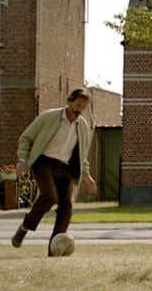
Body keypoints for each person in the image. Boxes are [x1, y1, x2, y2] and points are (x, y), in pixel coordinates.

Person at [11, 88, 97, 255]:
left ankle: (55, 249)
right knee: (50, 197)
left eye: (83, 107)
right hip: (43, 163)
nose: (80, 109)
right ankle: (24, 228)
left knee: (66, 206)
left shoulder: (83, 126)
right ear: (70, 101)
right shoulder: (49, 117)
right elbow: (26, 138)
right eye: (78, 104)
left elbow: (82, 155)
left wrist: (87, 175)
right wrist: (22, 160)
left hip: (65, 168)